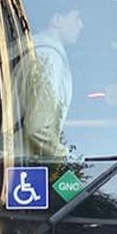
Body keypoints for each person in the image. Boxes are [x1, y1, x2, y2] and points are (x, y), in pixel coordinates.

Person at [17, 8, 83, 158]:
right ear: (57, 20)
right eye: (77, 18)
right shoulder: (49, 56)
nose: (81, 25)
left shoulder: (34, 48)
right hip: (24, 159)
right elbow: (38, 127)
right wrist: (65, 157)